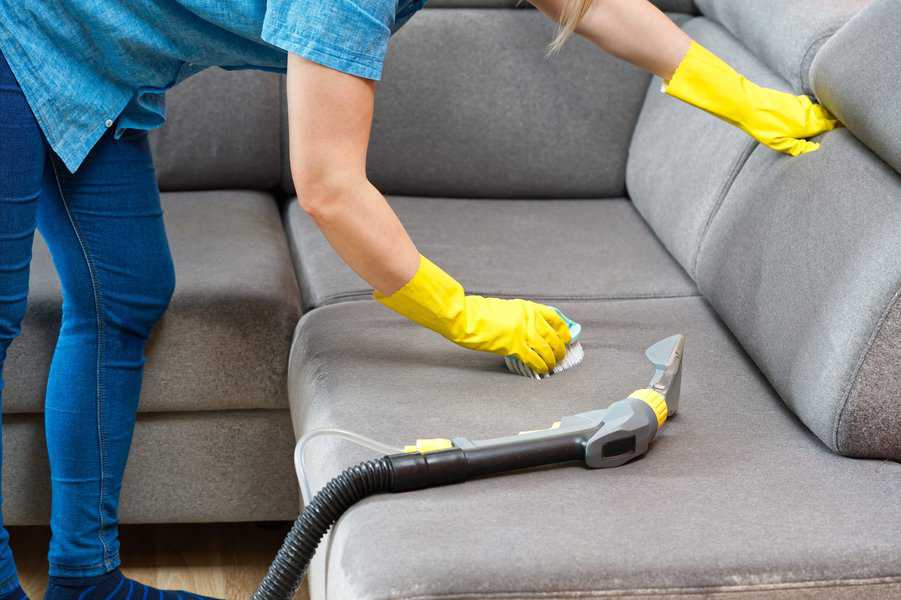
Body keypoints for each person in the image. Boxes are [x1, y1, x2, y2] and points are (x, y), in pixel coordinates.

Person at [0, 0, 836, 598]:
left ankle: (84, 577)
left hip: (92, 64)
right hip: (16, 37)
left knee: (125, 297)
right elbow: (327, 186)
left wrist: (732, 91)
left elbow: (583, 0)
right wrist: (464, 314)